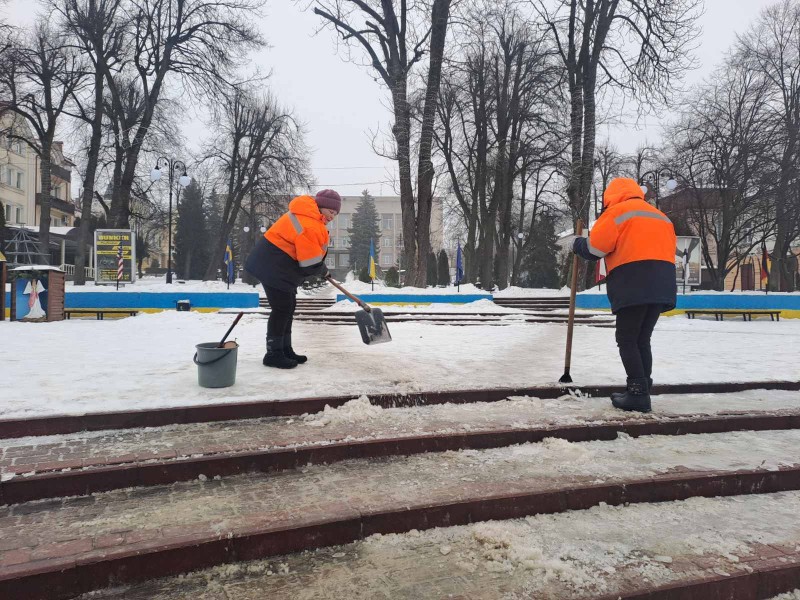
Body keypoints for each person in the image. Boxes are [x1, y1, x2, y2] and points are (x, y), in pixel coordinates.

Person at [572, 177, 677, 412]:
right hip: (662, 283)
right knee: (642, 339)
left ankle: (638, 394)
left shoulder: (617, 213)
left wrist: (576, 244)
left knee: (627, 339)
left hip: (633, 281)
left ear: (610, 196)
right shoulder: (660, 216)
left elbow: (595, 248)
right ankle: (641, 388)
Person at [245, 189, 341, 369]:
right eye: (331, 211)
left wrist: (321, 269)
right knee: (282, 308)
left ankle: (285, 349)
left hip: (278, 266)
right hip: (273, 266)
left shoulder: (309, 217)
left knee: (288, 307)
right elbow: (309, 262)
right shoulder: (310, 223)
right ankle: (273, 354)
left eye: (335, 214)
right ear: (321, 206)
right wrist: (323, 271)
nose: (332, 216)